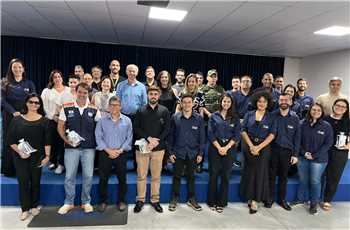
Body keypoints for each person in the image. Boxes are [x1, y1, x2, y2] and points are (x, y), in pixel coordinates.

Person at [57, 82, 101, 214]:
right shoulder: (66, 107)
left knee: (88, 175)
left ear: (88, 94)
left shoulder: (94, 109)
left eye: (85, 93)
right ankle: (69, 202)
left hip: (89, 149)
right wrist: (66, 140)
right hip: (71, 149)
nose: (82, 95)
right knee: (70, 176)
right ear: (76, 92)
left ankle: (86, 201)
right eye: (80, 92)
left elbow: (100, 129)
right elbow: (60, 127)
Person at [7, 94, 51, 220]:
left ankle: (34, 206)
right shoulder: (16, 120)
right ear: (26, 103)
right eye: (31, 102)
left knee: (35, 182)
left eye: (37, 103)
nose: (34, 105)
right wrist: (20, 152)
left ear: (40, 105)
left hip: (38, 156)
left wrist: (47, 156)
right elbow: (11, 140)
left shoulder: (45, 121)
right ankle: (25, 208)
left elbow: (47, 141)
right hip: (20, 157)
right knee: (23, 182)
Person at [133, 86, 170, 213]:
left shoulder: (164, 110)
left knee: (156, 176)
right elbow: (136, 128)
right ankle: (140, 200)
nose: (153, 96)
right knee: (141, 176)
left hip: (158, 149)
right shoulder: (140, 110)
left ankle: (155, 200)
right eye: (151, 94)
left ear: (158, 96)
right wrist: (149, 138)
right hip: (143, 148)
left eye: (155, 94)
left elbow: (167, 129)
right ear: (147, 96)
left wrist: (156, 141)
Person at [292, 103, 333, 215]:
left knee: (315, 181)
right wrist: (304, 153)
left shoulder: (326, 126)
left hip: (319, 159)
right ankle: (300, 199)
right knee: (303, 179)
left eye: (318, 110)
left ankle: (314, 203)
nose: (316, 112)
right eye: (313, 110)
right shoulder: (302, 124)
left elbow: (328, 143)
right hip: (303, 157)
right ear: (310, 111)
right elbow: (297, 141)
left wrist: (314, 155)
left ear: (322, 112)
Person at [168, 94, 205, 212]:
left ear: (193, 103)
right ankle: (174, 198)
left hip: (193, 153)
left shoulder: (199, 118)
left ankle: (192, 199)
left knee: (191, 177)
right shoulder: (175, 117)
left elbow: (202, 138)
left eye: (189, 102)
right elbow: (170, 137)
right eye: (185, 102)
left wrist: (200, 153)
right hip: (178, 152)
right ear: (181, 104)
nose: (187, 104)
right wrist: (170, 152)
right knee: (176, 176)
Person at [240, 91, 275, 214]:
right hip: (248, 146)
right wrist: (251, 146)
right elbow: (243, 130)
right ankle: (249, 196)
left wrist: (258, 147)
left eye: (264, 102)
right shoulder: (249, 114)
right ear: (256, 102)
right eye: (259, 101)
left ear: (268, 103)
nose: (261, 103)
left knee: (260, 173)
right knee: (249, 171)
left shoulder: (271, 117)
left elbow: (272, 135)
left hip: (263, 148)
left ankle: (256, 200)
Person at [95, 96, 133, 212]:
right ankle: (103, 201)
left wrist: (120, 150)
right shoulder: (102, 121)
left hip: (121, 154)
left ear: (120, 107)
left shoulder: (127, 121)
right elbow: (98, 137)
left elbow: (129, 138)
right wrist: (108, 150)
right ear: (108, 107)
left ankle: (121, 201)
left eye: (116, 105)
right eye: (111, 105)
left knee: (122, 179)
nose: (114, 107)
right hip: (105, 153)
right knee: (103, 178)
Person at [1, 58, 36, 177]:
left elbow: (34, 100)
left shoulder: (29, 83)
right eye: (15, 67)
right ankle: (8, 170)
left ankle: (24, 169)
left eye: (20, 67)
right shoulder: (4, 82)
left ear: (23, 69)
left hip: (25, 117)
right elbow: (2, 100)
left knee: (25, 141)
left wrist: (27, 112)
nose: (17, 69)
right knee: (10, 141)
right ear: (11, 68)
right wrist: (13, 112)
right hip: (9, 117)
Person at [207, 93, 241, 213]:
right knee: (213, 175)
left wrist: (226, 148)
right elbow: (210, 133)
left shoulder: (235, 117)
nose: (226, 104)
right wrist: (219, 147)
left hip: (229, 148)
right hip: (215, 148)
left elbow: (237, 135)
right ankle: (211, 201)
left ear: (231, 104)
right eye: (224, 101)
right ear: (220, 102)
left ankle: (221, 202)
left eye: (228, 102)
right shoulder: (213, 116)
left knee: (225, 176)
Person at [266, 93, 300, 211]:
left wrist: (295, 155)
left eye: (286, 100)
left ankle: (281, 199)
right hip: (273, 150)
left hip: (287, 152)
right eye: (281, 100)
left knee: (283, 177)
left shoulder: (295, 118)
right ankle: (269, 198)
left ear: (290, 102)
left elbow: (297, 138)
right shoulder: (272, 115)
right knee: (271, 175)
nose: (283, 101)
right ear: (278, 101)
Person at [116, 64, 147, 170]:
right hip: (123, 116)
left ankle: (137, 165)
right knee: (122, 140)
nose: (131, 73)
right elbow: (117, 101)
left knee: (137, 141)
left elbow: (144, 104)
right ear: (126, 72)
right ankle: (120, 164)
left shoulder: (142, 87)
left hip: (137, 118)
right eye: (129, 71)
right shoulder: (120, 85)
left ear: (137, 73)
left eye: (133, 71)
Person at [322, 99, 350, 211]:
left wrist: (348, 145)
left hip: (339, 152)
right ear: (333, 106)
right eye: (338, 105)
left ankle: (327, 199)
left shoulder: (348, 121)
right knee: (319, 174)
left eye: (343, 107)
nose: (340, 108)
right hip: (323, 151)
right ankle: (314, 196)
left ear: (346, 110)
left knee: (334, 177)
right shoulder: (325, 119)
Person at [41, 69, 70, 174]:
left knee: (63, 142)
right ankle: (53, 161)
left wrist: (63, 118)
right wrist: (53, 116)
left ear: (62, 78)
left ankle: (61, 164)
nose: (57, 79)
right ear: (52, 79)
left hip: (65, 120)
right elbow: (43, 106)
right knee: (52, 142)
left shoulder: (68, 90)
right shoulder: (47, 91)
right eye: (55, 77)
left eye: (59, 76)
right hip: (51, 120)